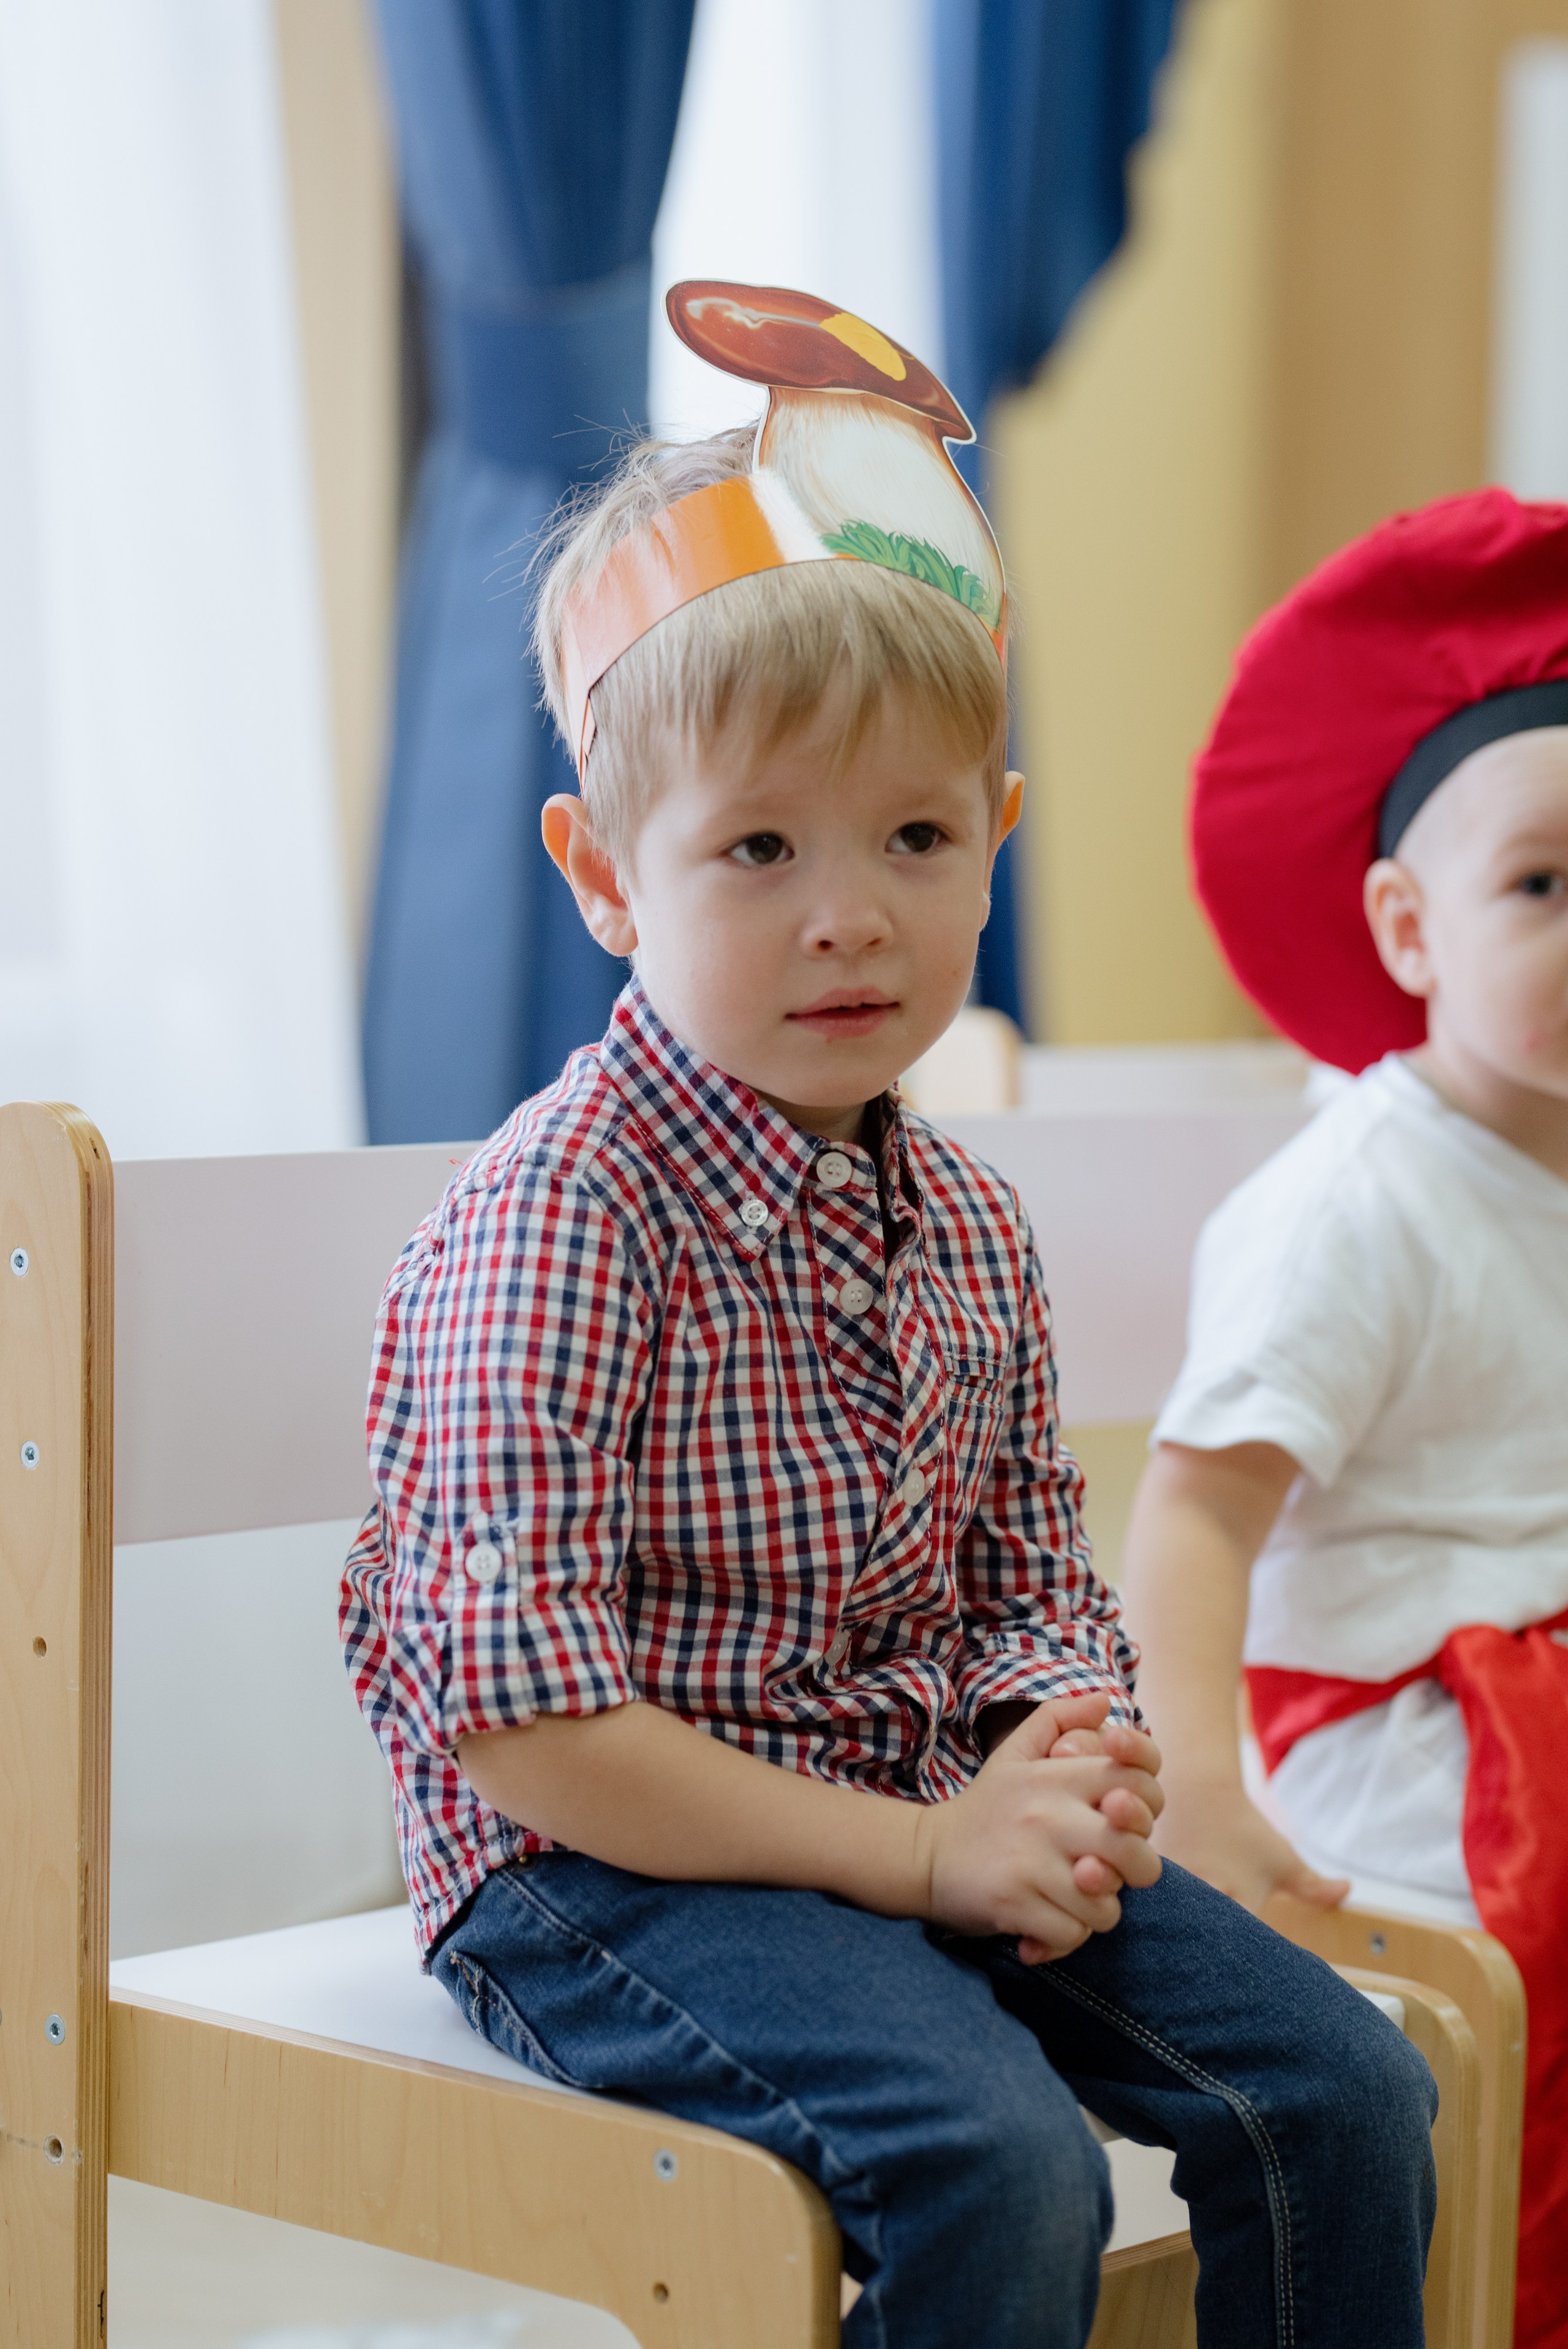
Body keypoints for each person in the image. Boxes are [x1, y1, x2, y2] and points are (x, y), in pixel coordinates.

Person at [341, 281, 1434, 2349]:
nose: (850, 910)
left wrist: (1056, 1757)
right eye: (757, 845)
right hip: (603, 1866)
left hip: (913, 1797)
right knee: (994, 2160)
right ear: (603, 876)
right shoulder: (565, 1219)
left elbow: (1032, 1565)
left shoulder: (963, 1220)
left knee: (1348, 2089)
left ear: (995, 845)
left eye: (917, 836)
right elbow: (529, 1724)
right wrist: (928, 1854)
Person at [1122, 486, 1568, 2349]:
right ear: (1407, 926)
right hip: (1396, 1729)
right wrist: (1203, 1792)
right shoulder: (1361, 1198)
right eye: (1544, 886)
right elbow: (1196, 1515)